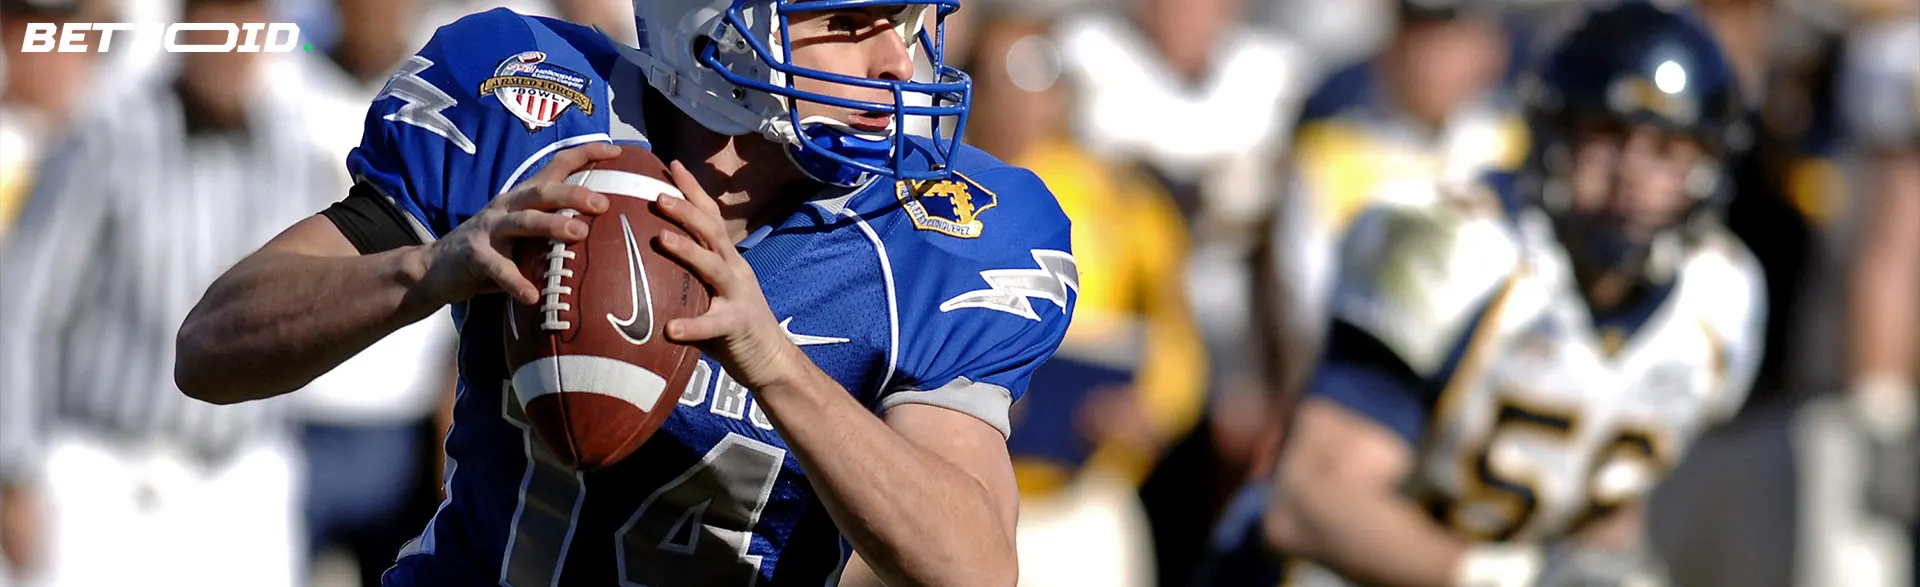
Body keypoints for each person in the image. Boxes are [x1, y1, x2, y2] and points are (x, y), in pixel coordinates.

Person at [173, 1, 1077, 586]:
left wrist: (776, 366)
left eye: (915, 18)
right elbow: (210, 348)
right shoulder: (527, 101)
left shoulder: (948, 227)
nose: (899, 63)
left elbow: (972, 568)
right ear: (711, 22)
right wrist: (430, 267)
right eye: (849, 21)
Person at [1193, 2, 1766, 586]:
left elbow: (1603, 490)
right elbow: (1312, 502)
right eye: (1607, 135)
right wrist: (1499, 577)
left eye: (1669, 152)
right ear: (1553, 130)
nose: (1634, 176)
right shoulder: (1453, 247)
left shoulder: (1721, 298)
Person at [0, 0, 351, 584]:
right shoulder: (106, 139)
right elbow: (21, 308)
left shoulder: (294, 151)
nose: (230, 40)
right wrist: (13, 468)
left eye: (246, 19)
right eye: (214, 17)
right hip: (103, 476)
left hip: (242, 482)